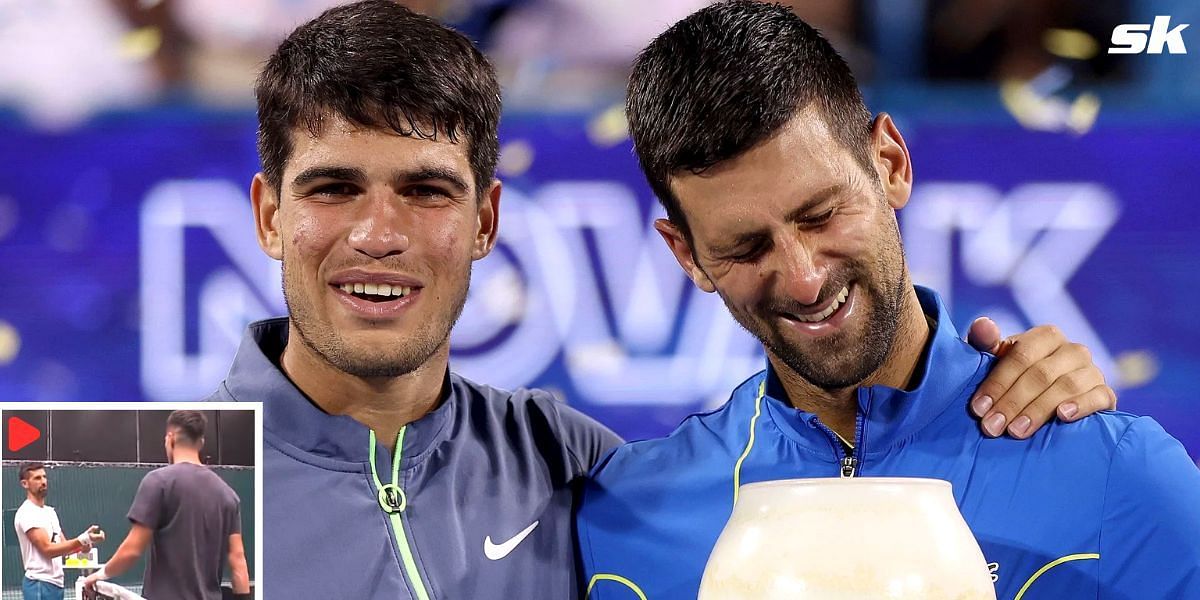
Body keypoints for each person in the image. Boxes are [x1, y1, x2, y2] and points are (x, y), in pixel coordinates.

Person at [210, 1, 1114, 597]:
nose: (378, 233)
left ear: (485, 220)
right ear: (268, 213)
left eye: (426, 190)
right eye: (332, 189)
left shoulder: (577, 473)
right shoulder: (173, 484)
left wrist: (1025, 387)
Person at [576, 2, 1200, 598]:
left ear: (891, 162)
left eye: (821, 215)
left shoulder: (1121, 482)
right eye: (746, 248)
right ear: (687, 255)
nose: (803, 279)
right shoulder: (624, 521)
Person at [82, 411, 250, 600]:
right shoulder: (229, 496)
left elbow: (132, 550)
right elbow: (238, 563)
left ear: (170, 439)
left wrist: (98, 576)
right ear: (201, 443)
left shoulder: (158, 482)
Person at [13, 463, 106, 600]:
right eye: (37, 478)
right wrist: (82, 540)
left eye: (44, 477)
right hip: (39, 585)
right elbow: (48, 550)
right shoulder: (27, 513)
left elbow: (64, 547)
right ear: (25, 484)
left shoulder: (50, 512)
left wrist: (84, 545)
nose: (43, 482)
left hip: (56, 585)